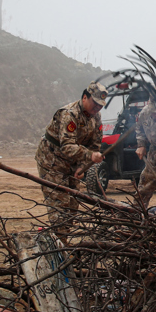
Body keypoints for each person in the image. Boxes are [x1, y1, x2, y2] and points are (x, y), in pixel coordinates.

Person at [34, 82, 107, 229]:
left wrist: (83, 167)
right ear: (85, 97)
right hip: (52, 162)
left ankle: (64, 236)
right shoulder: (69, 114)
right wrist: (90, 156)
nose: (98, 107)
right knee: (59, 206)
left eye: (101, 105)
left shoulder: (96, 117)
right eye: (95, 103)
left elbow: (95, 145)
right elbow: (67, 146)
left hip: (72, 163)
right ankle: (60, 240)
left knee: (73, 205)